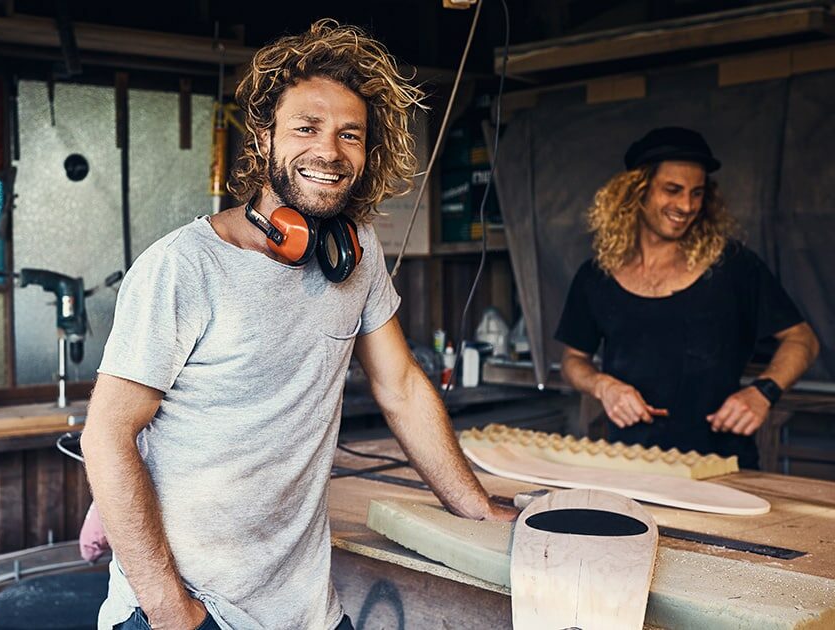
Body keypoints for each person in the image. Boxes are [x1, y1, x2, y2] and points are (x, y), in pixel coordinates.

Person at [81, 19, 515, 630]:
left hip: (306, 609)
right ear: (263, 139)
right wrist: (169, 608)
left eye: (350, 135)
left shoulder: (356, 253)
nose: (329, 152)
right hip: (188, 610)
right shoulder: (184, 266)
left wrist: (476, 506)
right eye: (306, 128)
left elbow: (403, 389)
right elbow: (107, 434)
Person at [556, 126, 820, 469]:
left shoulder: (732, 266)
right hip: (629, 467)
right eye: (672, 190)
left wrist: (762, 392)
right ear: (637, 191)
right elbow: (573, 360)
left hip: (722, 469)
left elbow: (803, 340)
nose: (686, 205)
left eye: (697, 193)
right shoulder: (597, 275)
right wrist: (603, 386)